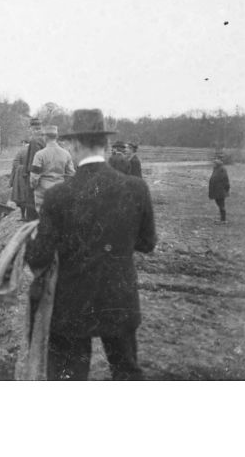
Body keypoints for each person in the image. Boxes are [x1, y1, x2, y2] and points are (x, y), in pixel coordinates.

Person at [25, 108, 157, 380]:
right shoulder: (136, 188)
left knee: (69, 379)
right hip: (120, 300)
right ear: (106, 144)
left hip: (71, 306)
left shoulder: (58, 196)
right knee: (127, 373)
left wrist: (27, 242)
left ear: (74, 145)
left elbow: (39, 258)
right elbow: (147, 243)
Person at [30, 125, 75, 214]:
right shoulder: (66, 154)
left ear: (45, 137)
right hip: (60, 190)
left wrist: (34, 187)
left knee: (44, 216)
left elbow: (34, 177)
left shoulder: (39, 155)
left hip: (43, 191)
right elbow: (71, 174)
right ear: (56, 137)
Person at [22, 118, 46, 220]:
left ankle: (31, 221)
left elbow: (34, 160)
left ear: (33, 128)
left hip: (33, 174)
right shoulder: (43, 139)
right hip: (42, 173)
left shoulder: (34, 140)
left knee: (31, 198)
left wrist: (28, 173)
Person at [9, 139, 30, 221]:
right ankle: (30, 216)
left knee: (22, 197)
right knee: (30, 197)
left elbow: (15, 164)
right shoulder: (36, 151)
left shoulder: (21, 151)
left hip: (22, 178)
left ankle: (23, 216)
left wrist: (11, 180)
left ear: (24, 143)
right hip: (31, 176)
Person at [208, 158, 230, 224]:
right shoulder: (216, 169)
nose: (213, 165)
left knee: (221, 205)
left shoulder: (222, 169)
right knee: (219, 205)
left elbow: (226, 180)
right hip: (217, 191)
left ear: (217, 164)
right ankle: (222, 219)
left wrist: (226, 190)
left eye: (214, 163)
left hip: (220, 191)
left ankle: (223, 220)